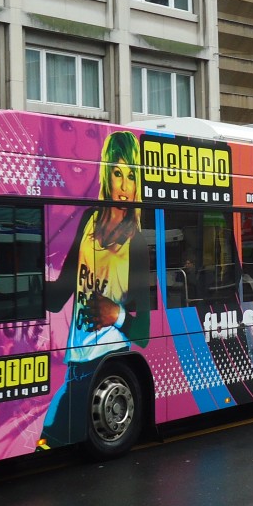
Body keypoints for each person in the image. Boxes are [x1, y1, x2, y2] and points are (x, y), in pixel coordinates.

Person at [43, 130, 150, 446]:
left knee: (52, 437)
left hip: (107, 356)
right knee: (49, 438)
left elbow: (143, 331)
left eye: (132, 176)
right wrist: (23, 287)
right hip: (76, 363)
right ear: (107, 174)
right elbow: (62, 291)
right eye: (118, 173)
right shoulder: (89, 221)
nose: (125, 186)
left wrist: (115, 313)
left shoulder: (137, 243)